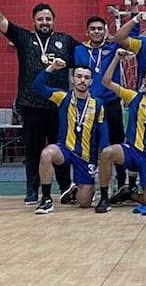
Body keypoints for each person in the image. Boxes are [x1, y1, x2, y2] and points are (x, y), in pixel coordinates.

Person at [0, 0, 77, 204]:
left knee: (61, 150)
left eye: (48, 19)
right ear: (34, 21)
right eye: (40, 19)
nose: (44, 22)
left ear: (54, 21)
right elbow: (0, 21)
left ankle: (66, 189)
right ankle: (32, 189)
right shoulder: (23, 38)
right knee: (33, 150)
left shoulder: (66, 41)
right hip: (30, 106)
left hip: (58, 107)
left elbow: (88, 57)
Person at [95, 54, 146, 213]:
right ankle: (104, 197)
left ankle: (129, 194)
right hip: (131, 150)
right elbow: (106, 82)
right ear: (144, 81)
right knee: (107, 153)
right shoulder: (133, 97)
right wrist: (116, 59)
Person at [31, 59, 109, 214]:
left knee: (85, 203)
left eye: (86, 78)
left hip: (86, 156)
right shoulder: (63, 97)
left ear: (91, 81)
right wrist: (51, 68)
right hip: (65, 149)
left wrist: (103, 154)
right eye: (79, 76)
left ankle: (75, 190)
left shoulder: (98, 104)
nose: (82, 80)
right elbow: (36, 87)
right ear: (73, 79)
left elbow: (103, 131)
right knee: (47, 153)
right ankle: (46, 199)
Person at [73, 16, 137, 199]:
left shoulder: (114, 47)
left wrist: (134, 12)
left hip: (111, 103)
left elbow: (131, 35)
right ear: (87, 32)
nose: (96, 32)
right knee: (91, 144)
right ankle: (91, 183)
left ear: (105, 31)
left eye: (100, 29)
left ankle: (121, 182)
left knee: (117, 142)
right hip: (89, 105)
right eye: (92, 29)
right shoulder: (78, 50)